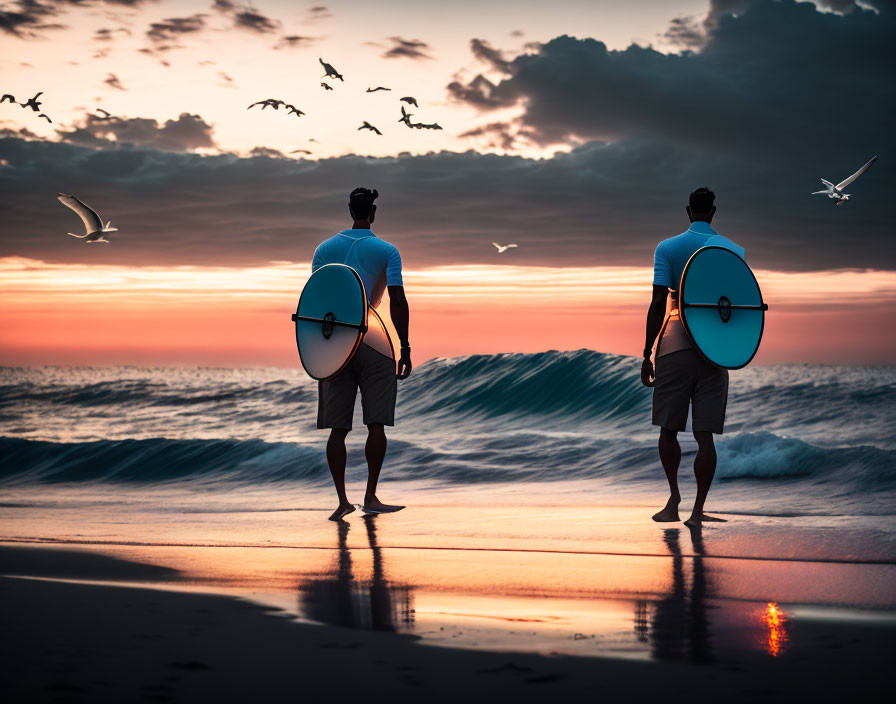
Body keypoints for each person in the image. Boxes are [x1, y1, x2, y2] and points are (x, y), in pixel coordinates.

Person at [640, 187, 743, 528]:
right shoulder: (733, 249)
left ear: (688, 211)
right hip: (715, 348)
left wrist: (646, 352)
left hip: (675, 343)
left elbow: (658, 303)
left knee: (669, 430)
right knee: (705, 435)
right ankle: (698, 512)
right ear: (713, 211)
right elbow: (738, 305)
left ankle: (673, 500)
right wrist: (733, 348)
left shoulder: (667, 248)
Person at [312, 187, 412, 521]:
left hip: (335, 342)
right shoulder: (387, 250)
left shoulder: (324, 249)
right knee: (376, 425)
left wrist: (318, 349)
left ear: (349, 210)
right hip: (374, 339)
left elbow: (316, 300)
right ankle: (370, 496)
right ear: (373, 212)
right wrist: (406, 347)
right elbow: (396, 301)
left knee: (337, 430)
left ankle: (342, 502)